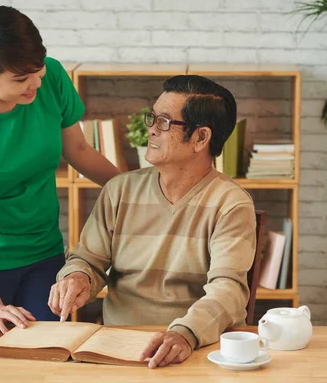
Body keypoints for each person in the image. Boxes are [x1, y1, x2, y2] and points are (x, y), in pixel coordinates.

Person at [0, 5, 120, 338]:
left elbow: (77, 150)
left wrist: (137, 189)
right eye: (21, 78)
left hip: (43, 252)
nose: (35, 82)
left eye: (37, 70)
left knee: (44, 358)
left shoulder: (53, 78)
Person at [48, 75, 257, 368]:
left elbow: (229, 290)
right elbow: (87, 259)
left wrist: (185, 334)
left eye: (165, 122)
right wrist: (78, 277)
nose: (151, 130)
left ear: (200, 138)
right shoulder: (119, 190)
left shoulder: (230, 203)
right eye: (153, 118)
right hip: (117, 346)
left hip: (193, 349)